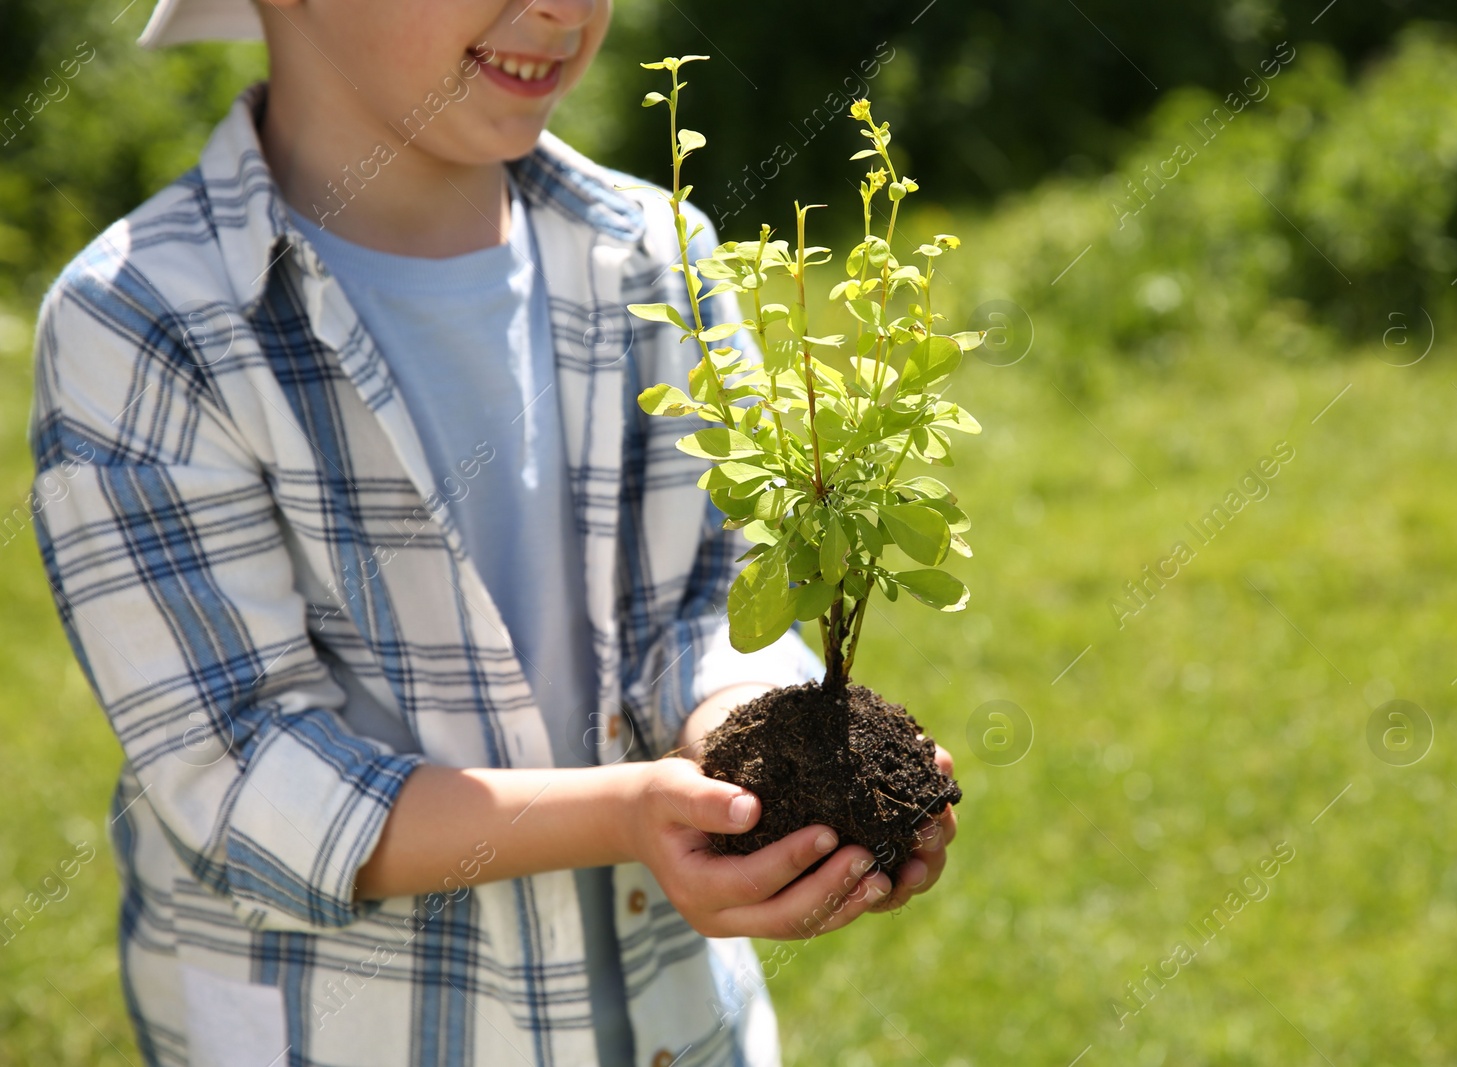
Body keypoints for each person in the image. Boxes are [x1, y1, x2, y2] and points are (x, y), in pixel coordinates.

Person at [25, 0, 959, 1064]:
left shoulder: (656, 257)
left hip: (666, 1021)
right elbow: (243, 769)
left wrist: (739, 741)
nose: (562, 9)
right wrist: (624, 812)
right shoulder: (146, 318)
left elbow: (708, 594)